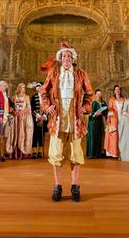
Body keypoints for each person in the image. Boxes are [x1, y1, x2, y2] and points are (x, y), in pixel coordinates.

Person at [40, 41, 93, 202]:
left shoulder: (81, 74)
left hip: (75, 119)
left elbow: (89, 94)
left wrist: (86, 107)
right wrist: (47, 106)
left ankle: (75, 186)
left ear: (73, 58)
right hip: (58, 118)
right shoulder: (54, 73)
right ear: (60, 58)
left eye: (69, 56)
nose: (66, 58)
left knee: (76, 154)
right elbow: (44, 91)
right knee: (56, 154)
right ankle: (57, 186)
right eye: (64, 56)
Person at [14, 83, 34, 159]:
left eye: (24, 88)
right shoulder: (14, 97)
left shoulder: (26, 97)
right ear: (19, 88)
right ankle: (17, 153)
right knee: (17, 134)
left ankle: (24, 152)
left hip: (24, 117)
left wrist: (23, 112)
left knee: (25, 134)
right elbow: (13, 106)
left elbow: (29, 107)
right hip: (17, 118)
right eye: (21, 88)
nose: (23, 89)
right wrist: (15, 112)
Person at [87, 89, 107, 158]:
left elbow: (106, 112)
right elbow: (91, 113)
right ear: (95, 95)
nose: (99, 95)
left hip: (100, 122)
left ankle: (98, 153)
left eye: (100, 94)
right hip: (93, 122)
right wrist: (95, 114)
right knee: (93, 137)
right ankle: (92, 154)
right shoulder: (94, 103)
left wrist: (103, 112)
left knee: (99, 137)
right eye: (97, 94)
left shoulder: (103, 103)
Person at [30, 82, 47, 159]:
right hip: (35, 118)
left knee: (42, 134)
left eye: (41, 87)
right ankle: (34, 151)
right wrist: (37, 115)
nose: (39, 89)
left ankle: (40, 151)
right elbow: (32, 108)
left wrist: (44, 115)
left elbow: (48, 107)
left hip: (43, 118)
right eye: (38, 87)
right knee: (35, 134)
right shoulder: (33, 97)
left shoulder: (46, 97)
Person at [105, 85, 123, 158]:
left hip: (122, 118)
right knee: (115, 136)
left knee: (121, 135)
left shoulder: (123, 99)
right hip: (114, 119)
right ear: (114, 91)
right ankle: (114, 153)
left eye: (118, 89)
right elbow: (110, 109)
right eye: (116, 89)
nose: (117, 91)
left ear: (120, 90)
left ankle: (121, 153)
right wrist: (109, 120)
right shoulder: (112, 99)